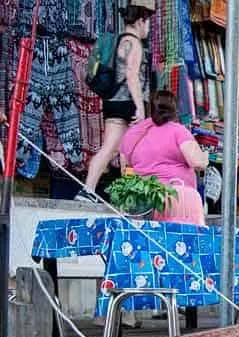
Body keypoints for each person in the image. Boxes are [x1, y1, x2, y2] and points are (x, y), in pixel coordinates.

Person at [77, 0, 154, 201]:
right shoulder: (135, 43)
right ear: (140, 21)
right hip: (127, 102)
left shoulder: (120, 40)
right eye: (147, 23)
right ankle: (128, 195)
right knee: (135, 150)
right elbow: (132, 75)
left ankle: (90, 189)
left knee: (112, 148)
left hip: (111, 100)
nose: (148, 28)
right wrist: (140, 107)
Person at [119, 90, 208, 225]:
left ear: (150, 108)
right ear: (175, 109)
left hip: (141, 200)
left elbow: (125, 171)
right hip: (174, 198)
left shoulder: (132, 133)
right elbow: (196, 162)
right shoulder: (178, 131)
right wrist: (205, 157)